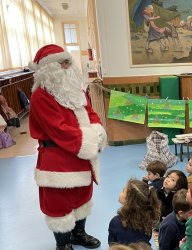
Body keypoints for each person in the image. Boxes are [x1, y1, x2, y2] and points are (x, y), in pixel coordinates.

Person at [28, 44, 107, 250]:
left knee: (82, 196)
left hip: (81, 154)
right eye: (61, 62)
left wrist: (98, 132)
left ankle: (79, 234)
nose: (66, 66)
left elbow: (90, 113)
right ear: (48, 69)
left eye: (68, 62)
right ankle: (62, 245)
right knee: (59, 204)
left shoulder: (76, 89)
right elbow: (58, 129)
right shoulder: (40, 96)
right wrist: (89, 140)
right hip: (57, 158)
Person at [108, 179, 160, 246]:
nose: (120, 192)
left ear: (129, 201)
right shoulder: (148, 219)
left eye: (123, 191)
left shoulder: (116, 222)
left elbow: (112, 244)